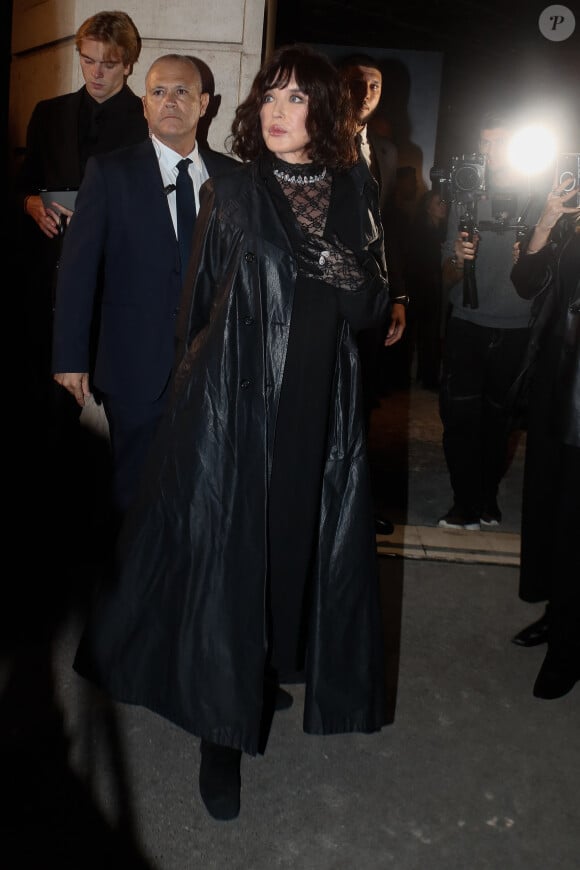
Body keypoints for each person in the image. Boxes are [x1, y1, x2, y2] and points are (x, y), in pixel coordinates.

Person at [72, 44, 390, 822]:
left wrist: (337, 264)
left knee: (288, 550)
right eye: (269, 99)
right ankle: (221, 732)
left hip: (315, 407)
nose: (278, 113)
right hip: (230, 402)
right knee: (230, 558)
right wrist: (189, 405)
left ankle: (260, 675)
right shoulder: (234, 190)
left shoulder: (357, 191)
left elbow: (373, 313)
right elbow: (198, 306)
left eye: (295, 100)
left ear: (325, 112)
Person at [52, 54, 237, 521]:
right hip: (134, 369)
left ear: (204, 104)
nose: (169, 101)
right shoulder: (109, 173)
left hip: (214, 370)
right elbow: (78, 270)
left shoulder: (234, 179)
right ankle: (130, 591)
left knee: (202, 497)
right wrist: (70, 358)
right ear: (144, 105)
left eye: (181, 92)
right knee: (132, 498)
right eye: (158, 92)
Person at [15, 10, 148, 563]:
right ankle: (47, 535)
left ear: (128, 64)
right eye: (88, 60)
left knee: (121, 415)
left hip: (114, 287)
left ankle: (115, 539)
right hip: (48, 278)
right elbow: (23, 183)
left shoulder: (147, 120)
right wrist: (30, 205)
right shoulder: (48, 113)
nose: (96, 73)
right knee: (47, 414)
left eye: (109, 64)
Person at [437, 110, 541, 530]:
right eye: (485, 143)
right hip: (467, 321)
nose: (491, 152)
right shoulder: (465, 193)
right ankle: (464, 501)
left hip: (518, 325)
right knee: (459, 418)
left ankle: (487, 498)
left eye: (500, 143)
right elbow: (444, 277)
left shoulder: (538, 200)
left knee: (499, 422)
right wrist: (458, 262)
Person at [509, 179, 580, 699]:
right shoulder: (566, 223)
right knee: (554, 509)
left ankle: (569, 650)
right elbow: (525, 282)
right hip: (558, 386)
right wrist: (548, 222)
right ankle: (560, 615)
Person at [337, 52, 407, 534]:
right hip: (325, 299)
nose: (367, 93)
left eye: (376, 86)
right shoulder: (315, 140)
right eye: (359, 83)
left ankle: (356, 508)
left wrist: (400, 296)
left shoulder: (388, 152)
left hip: (372, 302)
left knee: (361, 404)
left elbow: (391, 231)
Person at [404, 189, 448, 390]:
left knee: (428, 333)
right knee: (419, 332)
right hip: (419, 287)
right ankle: (417, 377)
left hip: (430, 286)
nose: (443, 206)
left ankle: (425, 375)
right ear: (427, 206)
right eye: (439, 202)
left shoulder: (441, 229)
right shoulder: (420, 230)